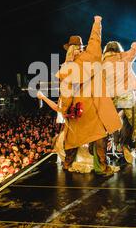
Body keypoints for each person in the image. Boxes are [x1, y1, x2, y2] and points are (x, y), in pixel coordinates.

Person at [38, 16, 122, 176]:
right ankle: (102, 168)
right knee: (99, 136)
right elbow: (95, 42)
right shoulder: (89, 57)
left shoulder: (67, 67)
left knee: (72, 138)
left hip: (78, 110)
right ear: (81, 47)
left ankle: (67, 164)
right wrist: (97, 23)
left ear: (69, 49)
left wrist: (64, 109)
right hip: (93, 106)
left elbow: (66, 93)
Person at [102, 40, 136, 172]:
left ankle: (103, 158)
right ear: (118, 50)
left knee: (108, 126)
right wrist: (135, 44)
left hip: (109, 99)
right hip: (126, 95)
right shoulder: (123, 57)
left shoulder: (101, 63)